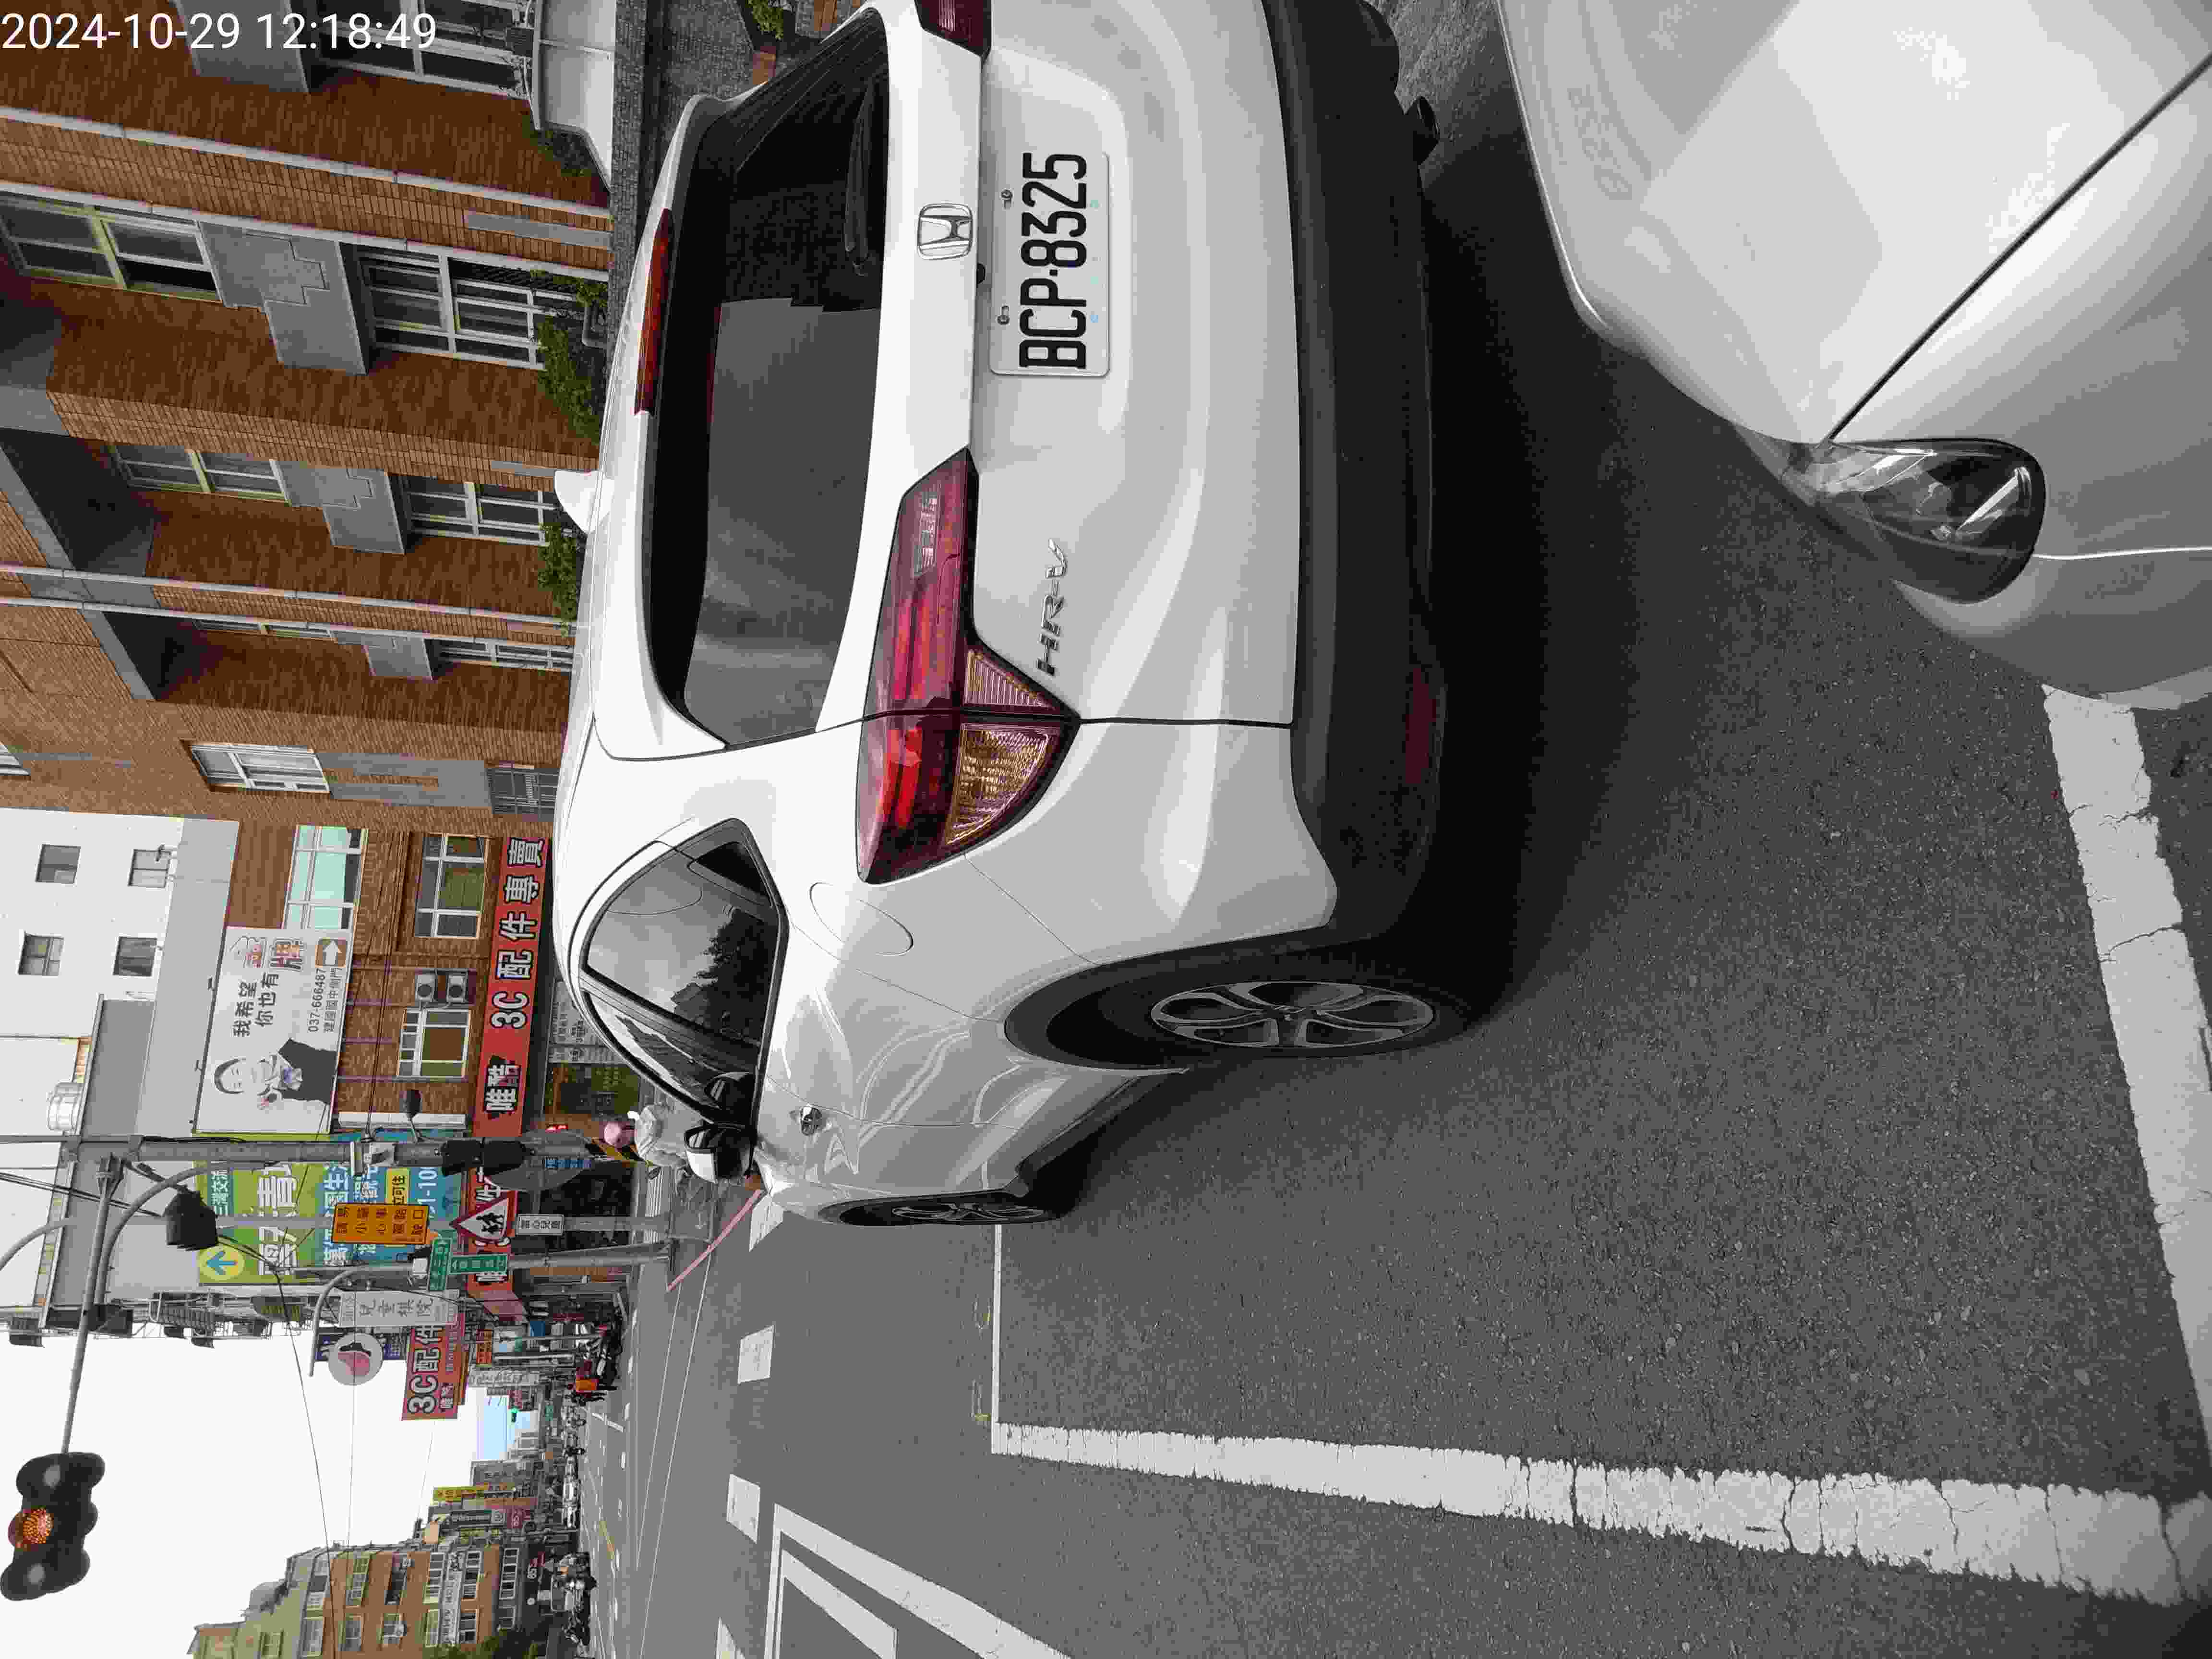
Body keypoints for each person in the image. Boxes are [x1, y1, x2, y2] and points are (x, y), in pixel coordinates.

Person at [211, 1036, 338, 1111]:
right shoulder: (282, 1095)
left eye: (238, 1071)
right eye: (239, 1085)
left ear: (242, 1060)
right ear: (245, 1091)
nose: (246, 1078)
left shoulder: (282, 1043)